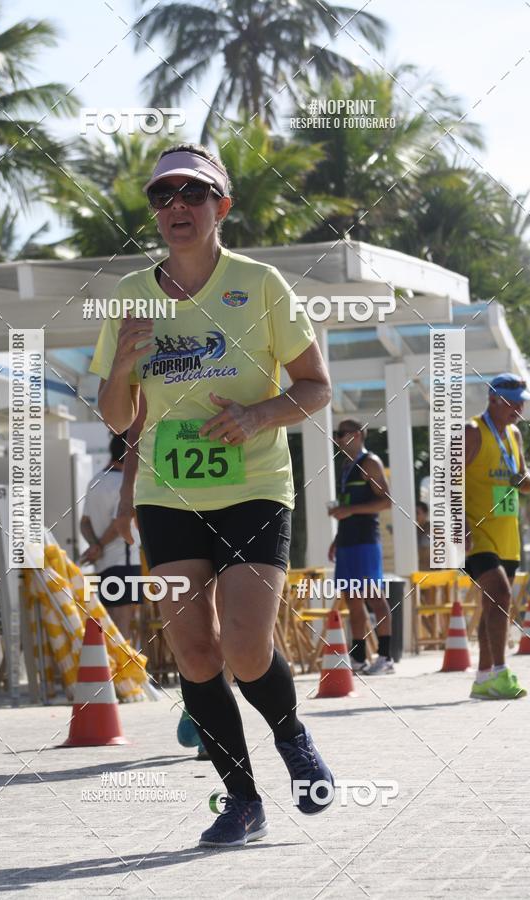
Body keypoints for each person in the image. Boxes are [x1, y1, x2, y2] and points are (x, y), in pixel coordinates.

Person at [89, 142, 335, 848]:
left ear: (220, 206)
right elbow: (116, 416)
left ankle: (292, 738)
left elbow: (316, 387)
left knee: (248, 648)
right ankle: (242, 801)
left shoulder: (259, 284)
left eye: (192, 194)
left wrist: (258, 415)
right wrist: (123, 367)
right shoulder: (129, 294)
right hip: (168, 495)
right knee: (196, 654)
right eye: (162, 196)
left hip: (254, 486)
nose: (177, 206)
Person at [115, 398, 209, 761]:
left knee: (229, 622)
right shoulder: (153, 370)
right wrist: (127, 497)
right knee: (186, 621)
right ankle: (197, 698)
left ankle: (209, 713)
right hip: (167, 506)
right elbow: (135, 429)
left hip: (236, 500)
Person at [465, 373, 530, 700]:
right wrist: (457, 524)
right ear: (493, 399)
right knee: (502, 595)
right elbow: (446, 480)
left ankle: (483, 679)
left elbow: (523, 476)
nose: (520, 408)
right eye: (514, 401)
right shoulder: (471, 431)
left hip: (507, 532)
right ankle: (501, 672)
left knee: (494, 604)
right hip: (475, 532)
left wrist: (528, 482)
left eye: (523, 401)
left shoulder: (514, 434)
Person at [328, 420, 393, 675]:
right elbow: (347, 507)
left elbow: (386, 502)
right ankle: (358, 658)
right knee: (352, 600)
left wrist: (350, 510)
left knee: (374, 597)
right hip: (347, 541)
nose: (336, 438)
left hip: (366, 540)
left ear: (356, 435)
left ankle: (386, 656)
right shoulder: (346, 465)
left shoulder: (370, 462)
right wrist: (337, 539)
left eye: (340, 434)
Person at [80, 430, 142, 640]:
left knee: (108, 625)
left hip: (102, 565)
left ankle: (110, 660)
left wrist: (94, 546)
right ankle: (122, 662)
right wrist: (99, 546)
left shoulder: (95, 481)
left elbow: (84, 523)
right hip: (124, 560)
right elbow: (119, 525)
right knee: (123, 626)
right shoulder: (125, 485)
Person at [416, 501, 431, 571]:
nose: (415, 515)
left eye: (417, 513)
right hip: (419, 569)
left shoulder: (434, 529)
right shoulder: (413, 530)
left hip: (433, 570)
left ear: (425, 514)